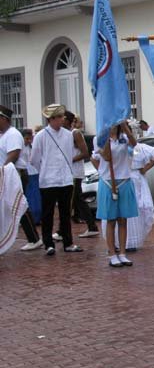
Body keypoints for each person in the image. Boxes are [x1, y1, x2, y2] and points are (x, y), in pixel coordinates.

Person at [30, 104, 82, 255]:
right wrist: (45, 170)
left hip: (65, 179)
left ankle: (68, 242)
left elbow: (70, 154)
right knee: (48, 214)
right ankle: (48, 244)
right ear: (51, 119)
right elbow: (34, 159)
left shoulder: (68, 135)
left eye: (62, 117)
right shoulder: (41, 136)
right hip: (48, 181)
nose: (62, 120)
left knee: (65, 213)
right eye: (59, 117)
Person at [94, 122, 138, 267]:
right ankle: (112, 253)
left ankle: (123, 253)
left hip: (124, 179)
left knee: (123, 219)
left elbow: (134, 144)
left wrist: (125, 127)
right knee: (111, 220)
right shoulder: (99, 138)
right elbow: (106, 156)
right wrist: (107, 137)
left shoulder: (124, 137)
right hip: (108, 181)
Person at [0, 106, 41, 250]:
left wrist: (2, 170)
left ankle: (34, 239)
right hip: (7, 174)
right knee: (13, 205)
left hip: (14, 174)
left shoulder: (12, 134)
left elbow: (14, 154)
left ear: (4, 119)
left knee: (18, 204)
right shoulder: (3, 135)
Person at [117, 140, 154, 250]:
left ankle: (131, 241)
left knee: (137, 208)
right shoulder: (118, 146)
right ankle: (119, 241)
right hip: (122, 178)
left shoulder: (139, 147)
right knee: (122, 209)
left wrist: (145, 168)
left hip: (135, 178)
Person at [63, 111, 99, 238]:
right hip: (67, 173)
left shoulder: (75, 133)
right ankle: (92, 226)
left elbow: (85, 153)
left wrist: (69, 160)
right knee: (78, 200)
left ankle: (62, 230)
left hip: (75, 173)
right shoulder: (63, 134)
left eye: (62, 118)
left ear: (68, 120)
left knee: (71, 201)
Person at [21, 129, 42, 226]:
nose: (29, 140)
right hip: (27, 173)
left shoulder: (32, 146)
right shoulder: (20, 147)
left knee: (36, 197)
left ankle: (36, 217)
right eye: (27, 138)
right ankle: (31, 218)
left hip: (35, 173)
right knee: (29, 197)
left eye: (30, 138)